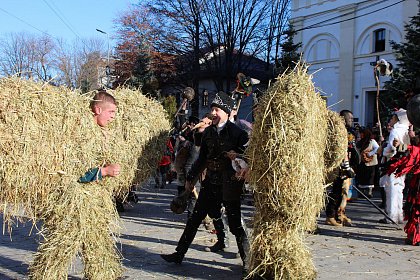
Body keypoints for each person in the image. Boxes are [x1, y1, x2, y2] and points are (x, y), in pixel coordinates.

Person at [161, 91, 250, 277]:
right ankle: (178, 254)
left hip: (230, 183)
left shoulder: (238, 134)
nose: (213, 113)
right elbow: (202, 158)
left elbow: (248, 158)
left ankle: (248, 263)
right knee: (194, 219)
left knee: (235, 224)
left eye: (217, 109)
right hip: (210, 182)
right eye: (212, 110)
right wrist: (190, 178)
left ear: (226, 112)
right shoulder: (209, 132)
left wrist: (239, 156)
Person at [79, 91, 121, 183]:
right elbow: (74, 175)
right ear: (98, 110)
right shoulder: (83, 134)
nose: (113, 116)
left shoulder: (101, 133)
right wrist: (105, 171)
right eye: (111, 112)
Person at [379, 109, 411, 224]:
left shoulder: (395, 131)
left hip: (394, 164)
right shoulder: (406, 131)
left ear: (397, 119)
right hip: (403, 164)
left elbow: (391, 149)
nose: (391, 121)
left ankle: (391, 215)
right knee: (399, 189)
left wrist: (383, 151)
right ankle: (398, 215)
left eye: (392, 118)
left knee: (391, 189)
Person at [356, 127, 379, 198]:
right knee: (362, 176)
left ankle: (369, 192)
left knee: (370, 176)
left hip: (371, 162)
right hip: (362, 162)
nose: (361, 135)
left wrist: (370, 154)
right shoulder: (360, 142)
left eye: (362, 133)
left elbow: (377, 148)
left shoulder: (372, 141)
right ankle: (362, 192)